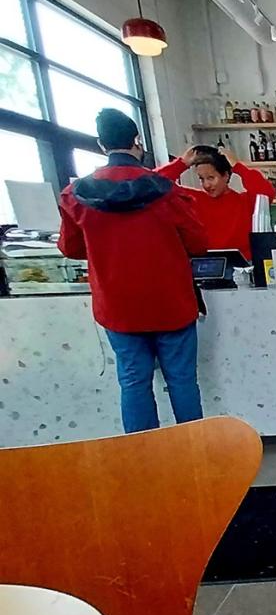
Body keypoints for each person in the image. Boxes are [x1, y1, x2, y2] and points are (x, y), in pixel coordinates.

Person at [57, 109, 208, 434]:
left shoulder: (77, 195)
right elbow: (198, 243)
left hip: (118, 307)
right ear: (136, 142)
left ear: (102, 145)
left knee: (133, 382)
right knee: (182, 380)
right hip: (171, 304)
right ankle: (196, 455)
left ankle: (144, 461)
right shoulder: (165, 191)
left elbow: (70, 249)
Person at [157, 143, 276, 259]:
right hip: (205, 265)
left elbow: (266, 192)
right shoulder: (192, 199)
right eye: (201, 179)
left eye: (211, 178)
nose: (206, 185)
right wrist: (181, 164)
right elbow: (151, 186)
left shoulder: (245, 202)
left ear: (226, 176)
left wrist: (238, 166)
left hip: (243, 268)